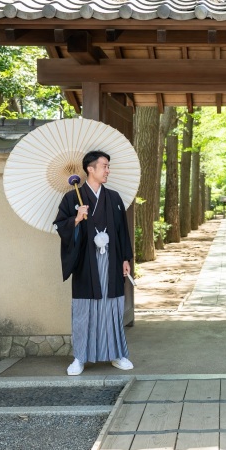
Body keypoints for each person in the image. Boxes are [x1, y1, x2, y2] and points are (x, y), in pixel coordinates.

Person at [53, 150, 134, 376]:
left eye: (108, 167)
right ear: (90, 168)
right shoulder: (72, 199)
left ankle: (117, 354)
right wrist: (76, 219)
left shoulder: (114, 198)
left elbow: (121, 232)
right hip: (86, 263)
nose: (108, 170)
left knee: (111, 308)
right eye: (105, 166)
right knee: (84, 310)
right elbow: (61, 226)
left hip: (111, 260)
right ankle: (80, 357)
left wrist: (126, 259)